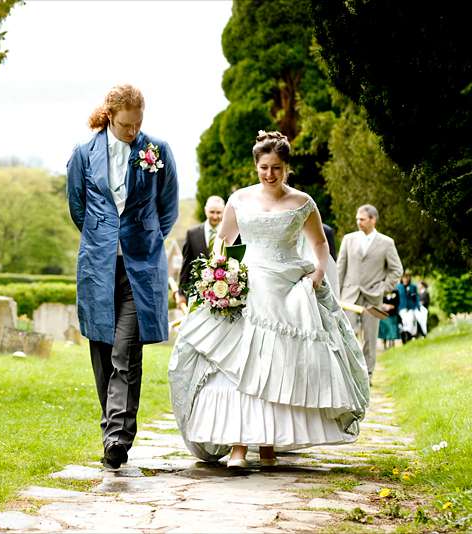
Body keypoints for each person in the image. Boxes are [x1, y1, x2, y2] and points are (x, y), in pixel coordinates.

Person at [168, 131, 370, 468]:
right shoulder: (239, 200)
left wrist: (319, 271)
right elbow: (223, 240)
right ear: (256, 166)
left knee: (281, 364)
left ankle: (269, 445)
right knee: (237, 364)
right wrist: (222, 272)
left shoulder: (303, 202)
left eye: (277, 167)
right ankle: (237, 446)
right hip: (247, 286)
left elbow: (319, 244)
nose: (270, 174)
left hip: (289, 288)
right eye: (264, 167)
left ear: (286, 167)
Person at [67, 84, 178, 470]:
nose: (133, 131)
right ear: (111, 116)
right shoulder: (83, 155)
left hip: (140, 267)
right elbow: (78, 208)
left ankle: (116, 437)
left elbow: (168, 207)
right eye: (126, 124)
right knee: (101, 350)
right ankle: (114, 428)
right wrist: (103, 237)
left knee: (124, 352)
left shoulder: (158, 152)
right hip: (97, 266)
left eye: (138, 124)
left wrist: (144, 239)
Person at [337, 205, 403, 381]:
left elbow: (396, 270)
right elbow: (340, 269)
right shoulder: (348, 239)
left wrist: (383, 287)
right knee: (347, 333)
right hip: (349, 296)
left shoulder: (386, 243)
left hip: (373, 298)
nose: (358, 222)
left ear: (373, 220)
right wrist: (336, 293)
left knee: (370, 338)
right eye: (357, 219)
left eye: (362, 219)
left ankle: (368, 375)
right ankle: (349, 374)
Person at [176, 196, 226, 310]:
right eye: (212, 212)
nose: (215, 216)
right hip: (197, 293)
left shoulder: (228, 234)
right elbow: (186, 265)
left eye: (219, 212)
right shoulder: (192, 234)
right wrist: (181, 293)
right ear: (205, 210)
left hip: (222, 294)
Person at [396, 272, 420, 343]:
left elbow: (416, 298)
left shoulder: (413, 287)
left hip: (411, 307)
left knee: (410, 320)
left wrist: (417, 306)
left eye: (407, 277)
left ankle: (409, 335)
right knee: (404, 321)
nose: (405, 279)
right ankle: (405, 336)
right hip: (402, 307)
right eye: (404, 278)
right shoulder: (398, 287)